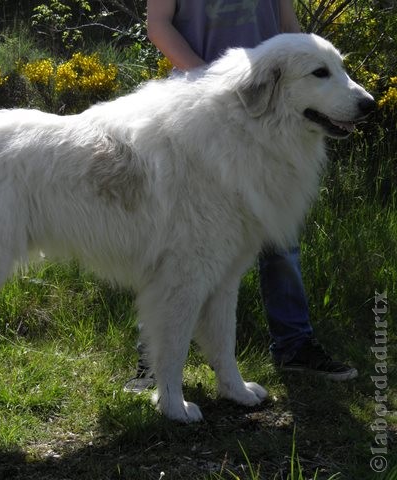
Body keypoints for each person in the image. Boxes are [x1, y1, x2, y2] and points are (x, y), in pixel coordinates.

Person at [124, 0, 358, 393]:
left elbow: (290, 28)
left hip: (273, 112)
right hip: (201, 114)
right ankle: (154, 361)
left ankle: (294, 345)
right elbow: (159, 25)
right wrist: (207, 79)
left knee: (280, 246)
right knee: (180, 246)